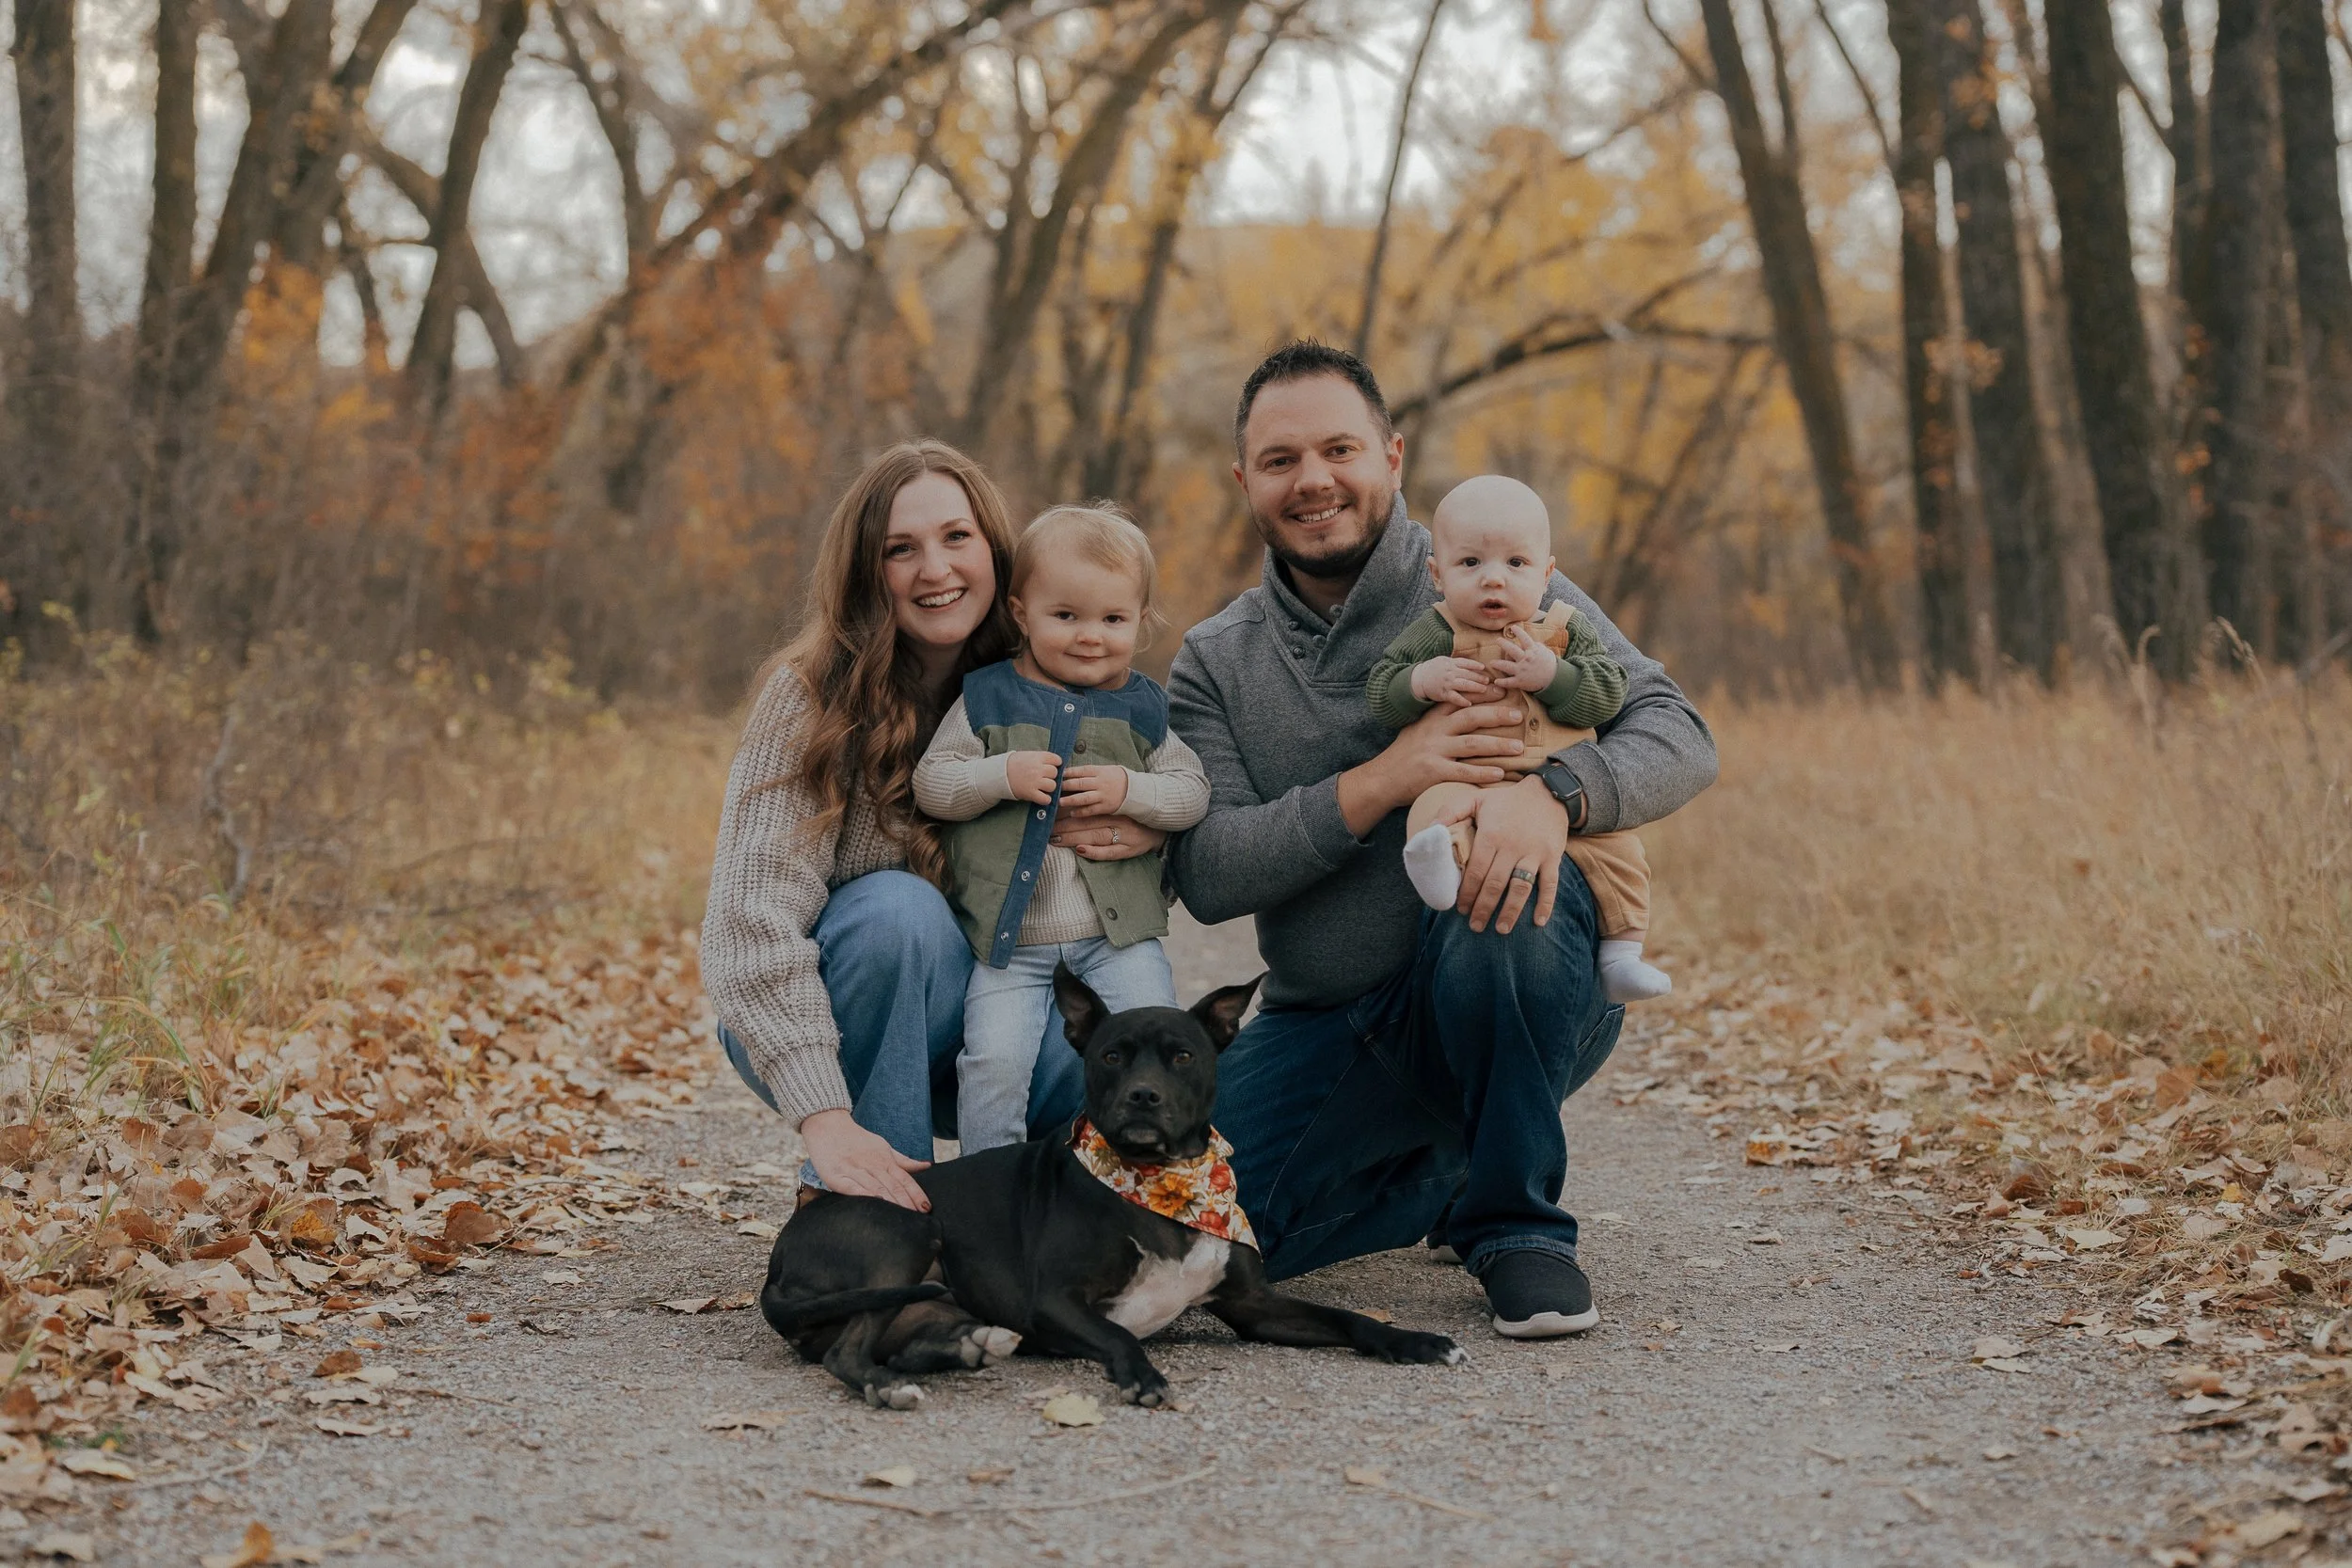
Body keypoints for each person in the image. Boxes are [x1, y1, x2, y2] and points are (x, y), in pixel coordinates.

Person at [1168, 342, 1717, 1338]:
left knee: (1493, 896)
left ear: (1390, 455)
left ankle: (1519, 1228)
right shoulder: (1216, 658)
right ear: (1245, 481)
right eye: (1281, 459)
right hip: (1325, 1020)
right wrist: (1389, 777)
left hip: (1515, 973)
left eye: (1339, 448)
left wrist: (1555, 793)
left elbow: (1679, 735)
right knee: (1184, 1235)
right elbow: (1208, 871)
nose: (1314, 479)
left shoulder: (1497, 573)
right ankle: (1448, 1171)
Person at [702, 441, 1167, 1211]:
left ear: (995, 548)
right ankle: (875, 1213)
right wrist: (825, 1117)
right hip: (843, 1014)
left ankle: (1028, 1216)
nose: (935, 569)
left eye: (957, 537)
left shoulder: (1057, 670)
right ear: (865, 571)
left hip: (1001, 1015)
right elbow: (748, 919)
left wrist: (1149, 833)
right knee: (899, 909)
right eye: (900, 550)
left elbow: (1174, 799)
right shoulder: (811, 696)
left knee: (1145, 1060)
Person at [913, 505, 1210, 1152]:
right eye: (1066, 615)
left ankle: (1158, 1174)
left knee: (1154, 1047)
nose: (1090, 636)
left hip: (1117, 936)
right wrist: (1000, 774)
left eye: (1113, 619)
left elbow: (1192, 793)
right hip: (1010, 944)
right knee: (993, 1064)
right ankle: (993, 1187)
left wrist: (1132, 790)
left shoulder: (1144, 708)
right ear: (1021, 612)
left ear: (1141, 621)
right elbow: (932, 783)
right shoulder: (988, 697)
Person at [1367, 473, 1673, 1003]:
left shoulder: (1566, 628)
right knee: (1436, 810)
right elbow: (1380, 693)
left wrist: (1555, 677)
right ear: (1437, 575)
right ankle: (1437, 865)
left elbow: (1607, 694)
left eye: (1516, 564)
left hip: (1559, 795)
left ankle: (1621, 954)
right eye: (1470, 564)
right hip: (1472, 780)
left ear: (1547, 572)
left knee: (1622, 852)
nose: (1493, 581)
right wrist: (1420, 681)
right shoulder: (1436, 631)